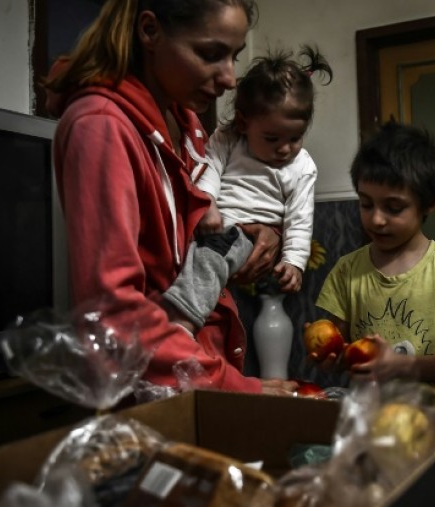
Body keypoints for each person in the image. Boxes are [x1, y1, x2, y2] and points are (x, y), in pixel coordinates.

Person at [45, 0, 295, 396]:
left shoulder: (186, 124)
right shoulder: (101, 126)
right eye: (210, 54)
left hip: (199, 373)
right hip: (154, 390)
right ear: (150, 31)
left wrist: (250, 234)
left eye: (233, 56)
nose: (230, 78)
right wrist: (238, 389)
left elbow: (186, 246)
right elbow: (114, 314)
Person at [162, 45, 332, 332]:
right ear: (243, 123)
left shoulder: (302, 166)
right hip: (212, 223)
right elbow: (211, 166)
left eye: (295, 138)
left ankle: (182, 321)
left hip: (243, 236)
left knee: (212, 257)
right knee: (197, 257)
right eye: (272, 138)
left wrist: (294, 262)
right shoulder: (229, 138)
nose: (285, 148)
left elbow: (300, 218)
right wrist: (207, 202)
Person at [313, 121, 435, 403]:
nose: (376, 219)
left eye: (393, 208)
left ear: (429, 203)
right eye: (366, 204)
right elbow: (343, 353)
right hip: (369, 418)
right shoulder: (347, 271)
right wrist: (329, 356)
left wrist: (402, 366)